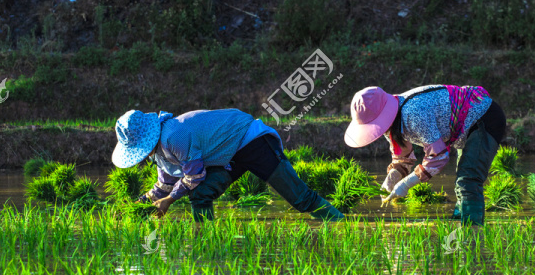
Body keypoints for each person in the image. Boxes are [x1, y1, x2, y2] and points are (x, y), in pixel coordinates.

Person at [111, 108, 345, 222]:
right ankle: (206, 241)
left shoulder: (173, 136)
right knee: (200, 195)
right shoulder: (158, 151)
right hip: (225, 156)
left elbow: (194, 176)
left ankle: (341, 224)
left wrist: (169, 201)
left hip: (250, 140)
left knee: (300, 198)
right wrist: (139, 204)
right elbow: (164, 184)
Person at [343, 85, 506, 226]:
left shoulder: (413, 114)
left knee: (468, 180)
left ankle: (473, 236)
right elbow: (402, 157)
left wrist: (406, 184)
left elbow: (439, 157)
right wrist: (392, 177)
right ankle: (459, 225)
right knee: (462, 183)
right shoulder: (392, 124)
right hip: (464, 128)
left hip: (483, 117)